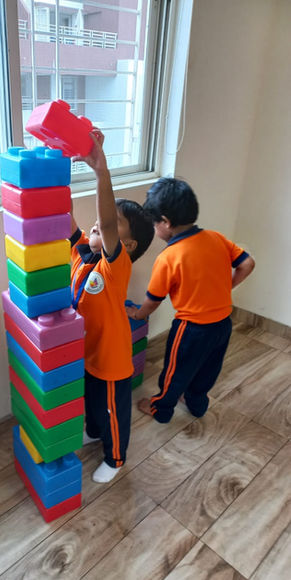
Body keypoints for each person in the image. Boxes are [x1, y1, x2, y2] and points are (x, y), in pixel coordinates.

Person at [126, 177, 255, 424]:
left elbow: (153, 300)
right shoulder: (216, 238)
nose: (155, 229)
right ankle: (197, 404)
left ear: (165, 222)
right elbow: (247, 264)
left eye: (154, 223)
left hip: (191, 329)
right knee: (208, 369)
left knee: (175, 372)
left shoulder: (169, 257)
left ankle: (161, 409)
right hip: (222, 324)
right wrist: (226, 288)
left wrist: (138, 314)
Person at [70, 129, 154, 483]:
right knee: (91, 403)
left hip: (110, 357)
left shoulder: (115, 266)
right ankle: (93, 431)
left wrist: (101, 172)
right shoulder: (81, 253)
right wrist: (59, 168)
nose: (98, 223)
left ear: (128, 244)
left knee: (112, 412)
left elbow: (104, 222)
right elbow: (63, 214)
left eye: (114, 224)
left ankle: (116, 457)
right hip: (87, 351)